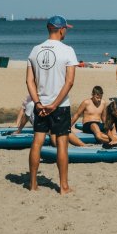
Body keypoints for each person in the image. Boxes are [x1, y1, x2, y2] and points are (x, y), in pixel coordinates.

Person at [27, 15, 78, 195]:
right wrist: (55, 104)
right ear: (61, 29)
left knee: (37, 142)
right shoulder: (67, 50)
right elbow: (69, 81)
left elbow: (29, 81)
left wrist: (38, 103)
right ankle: (63, 187)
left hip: (41, 104)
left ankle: (32, 184)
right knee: (62, 145)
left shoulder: (35, 50)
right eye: (66, 29)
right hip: (60, 105)